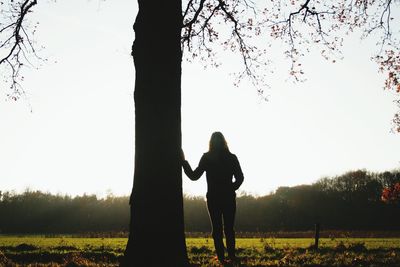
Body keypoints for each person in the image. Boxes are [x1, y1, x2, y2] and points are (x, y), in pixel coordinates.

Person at [182, 132, 244, 263]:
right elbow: (240, 178)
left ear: (211, 143)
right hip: (228, 198)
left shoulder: (207, 157)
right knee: (229, 228)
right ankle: (231, 256)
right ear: (224, 142)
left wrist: (183, 162)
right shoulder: (231, 158)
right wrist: (231, 188)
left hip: (213, 198)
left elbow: (194, 176)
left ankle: (221, 258)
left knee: (217, 229)